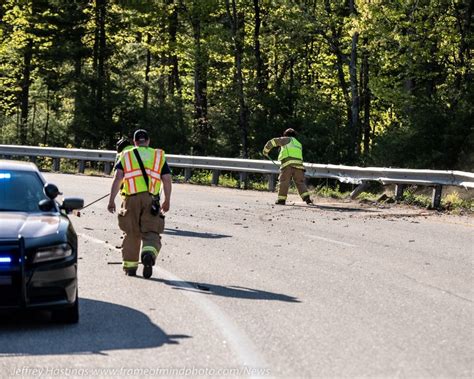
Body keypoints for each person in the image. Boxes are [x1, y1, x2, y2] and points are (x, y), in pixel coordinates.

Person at [107, 129, 172, 278]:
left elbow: (118, 178)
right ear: (148, 141)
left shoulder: (126, 155)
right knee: (152, 231)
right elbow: (167, 179)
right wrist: (167, 199)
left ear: (135, 142)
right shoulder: (158, 156)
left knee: (131, 233)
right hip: (151, 200)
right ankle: (148, 253)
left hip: (131, 199)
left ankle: (130, 267)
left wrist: (111, 200)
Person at [262, 128, 313, 205]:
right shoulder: (298, 143)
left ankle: (281, 200)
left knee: (284, 182)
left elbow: (273, 141)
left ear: (286, 135)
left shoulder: (286, 139)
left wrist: (265, 151)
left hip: (288, 165)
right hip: (299, 166)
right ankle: (307, 198)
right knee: (300, 182)